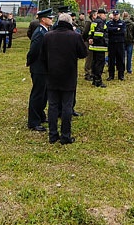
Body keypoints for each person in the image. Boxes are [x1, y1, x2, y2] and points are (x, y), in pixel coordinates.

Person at [40, 13, 88, 144]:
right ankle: (65, 136)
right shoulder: (75, 36)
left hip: (52, 75)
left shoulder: (48, 36)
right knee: (67, 106)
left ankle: (52, 135)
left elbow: (42, 56)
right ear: (70, 22)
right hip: (68, 75)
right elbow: (83, 53)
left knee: (53, 106)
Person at [26, 8, 54, 131]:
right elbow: (34, 51)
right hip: (39, 68)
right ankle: (33, 121)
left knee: (44, 94)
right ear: (43, 19)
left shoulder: (45, 31)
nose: (52, 20)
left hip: (44, 67)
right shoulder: (39, 33)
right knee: (37, 94)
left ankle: (41, 115)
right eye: (50, 18)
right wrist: (31, 63)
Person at [88, 8, 108, 87]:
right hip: (100, 46)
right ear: (100, 14)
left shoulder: (94, 22)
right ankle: (98, 81)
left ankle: (94, 79)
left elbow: (91, 32)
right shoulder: (100, 22)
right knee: (99, 64)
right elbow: (98, 34)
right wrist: (102, 39)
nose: (105, 16)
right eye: (104, 14)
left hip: (95, 46)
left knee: (95, 62)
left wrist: (91, 38)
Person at [105, 10, 126, 81]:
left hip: (120, 43)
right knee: (111, 60)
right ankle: (111, 75)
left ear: (119, 15)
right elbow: (108, 30)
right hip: (112, 43)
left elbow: (123, 32)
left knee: (120, 59)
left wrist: (114, 30)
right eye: (114, 15)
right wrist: (116, 29)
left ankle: (121, 75)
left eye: (117, 15)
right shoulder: (109, 23)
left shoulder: (122, 23)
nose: (115, 16)